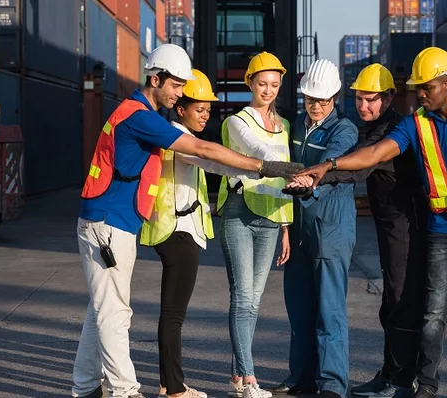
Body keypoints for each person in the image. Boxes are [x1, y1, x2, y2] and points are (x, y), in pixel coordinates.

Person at [72, 44, 303, 398]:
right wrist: (263, 166)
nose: (180, 93)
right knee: (115, 312)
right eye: (176, 86)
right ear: (155, 78)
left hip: (111, 223)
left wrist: (256, 170)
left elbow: (207, 161)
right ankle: (124, 390)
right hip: (108, 224)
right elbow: (202, 150)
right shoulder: (140, 116)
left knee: (101, 309)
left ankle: (86, 387)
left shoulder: (138, 113)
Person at [295, 47, 447, 398]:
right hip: (426, 229)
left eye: (426, 87)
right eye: (358, 99)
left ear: (446, 84)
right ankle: (410, 381)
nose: (420, 94)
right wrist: (328, 167)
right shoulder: (413, 125)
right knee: (418, 310)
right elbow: (371, 154)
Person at [286, 63, 427, 398]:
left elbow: (360, 169)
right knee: (390, 302)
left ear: (390, 97)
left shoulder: (392, 129)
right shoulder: (374, 124)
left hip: (406, 223)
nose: (364, 106)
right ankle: (390, 373)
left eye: (372, 100)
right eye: (360, 99)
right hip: (387, 221)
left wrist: (319, 173)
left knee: (400, 300)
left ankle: (402, 381)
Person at [137, 68, 263, 398]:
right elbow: (213, 161)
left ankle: (169, 384)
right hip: (177, 232)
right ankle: (175, 389)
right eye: (199, 109)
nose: (205, 115)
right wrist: (260, 169)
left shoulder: (175, 133)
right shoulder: (176, 137)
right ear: (181, 109)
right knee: (174, 315)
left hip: (181, 231)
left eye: (208, 110)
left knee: (172, 314)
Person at [268, 59, 359, 398]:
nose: (316, 106)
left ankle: (332, 384)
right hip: (301, 224)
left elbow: (324, 168)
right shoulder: (294, 127)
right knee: (299, 306)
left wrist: (306, 181)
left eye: (323, 100)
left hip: (331, 225)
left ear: (335, 96)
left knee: (329, 308)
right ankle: (301, 378)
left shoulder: (344, 130)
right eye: (310, 99)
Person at [216, 51, 294, 398]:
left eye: (274, 84)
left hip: (271, 217)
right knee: (243, 298)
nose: (268, 90)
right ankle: (248, 379)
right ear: (249, 83)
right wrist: (303, 168)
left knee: (255, 301)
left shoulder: (286, 126)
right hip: (239, 212)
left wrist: (287, 226)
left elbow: (283, 184)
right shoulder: (237, 122)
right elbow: (261, 152)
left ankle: (235, 378)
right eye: (262, 83)